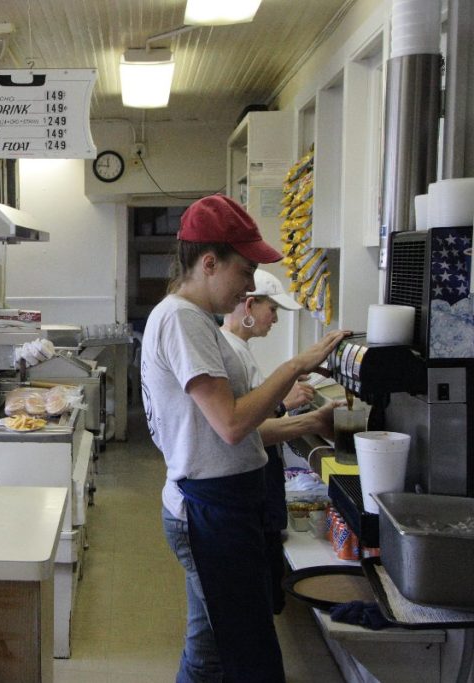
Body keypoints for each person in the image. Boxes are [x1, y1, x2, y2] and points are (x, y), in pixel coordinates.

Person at [140, 195, 347, 683]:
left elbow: (232, 431)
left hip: (221, 500)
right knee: (236, 651)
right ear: (209, 263)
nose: (251, 286)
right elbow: (231, 423)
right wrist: (296, 365)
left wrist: (304, 421)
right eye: (246, 270)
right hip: (211, 506)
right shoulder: (182, 318)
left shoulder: (195, 320)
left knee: (214, 646)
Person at [219, 267, 321, 615]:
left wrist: (281, 392)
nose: (275, 319)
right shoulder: (229, 353)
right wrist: (302, 414)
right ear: (249, 306)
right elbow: (247, 427)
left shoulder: (240, 349)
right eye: (272, 310)